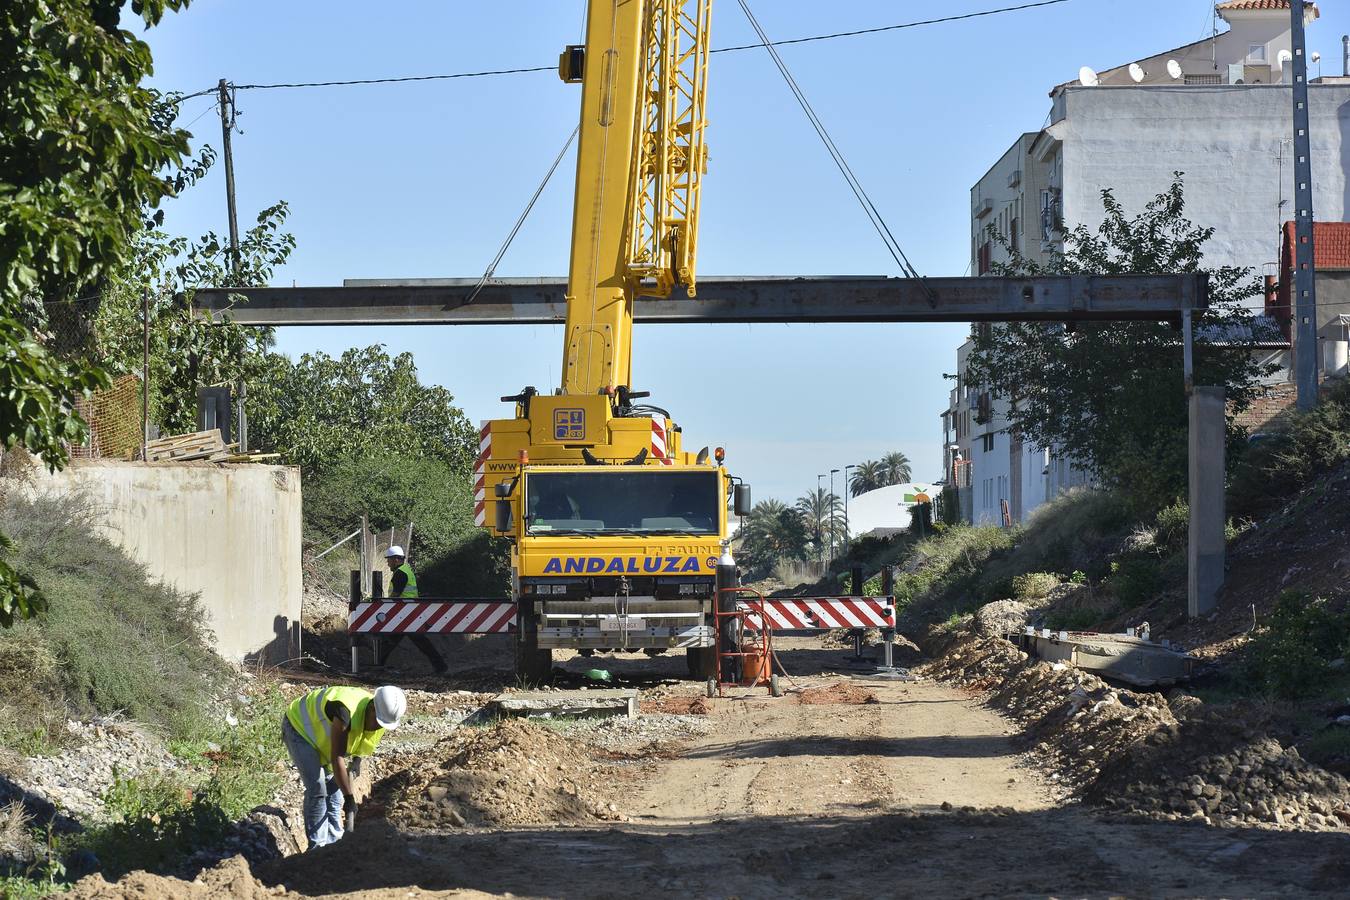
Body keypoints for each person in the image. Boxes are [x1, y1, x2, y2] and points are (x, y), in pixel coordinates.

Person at [282, 684, 406, 850]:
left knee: (334, 792)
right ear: (371, 708)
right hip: (299, 728)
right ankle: (317, 848)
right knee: (318, 788)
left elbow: (363, 740)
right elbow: (337, 757)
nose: (379, 727)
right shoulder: (345, 711)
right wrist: (349, 798)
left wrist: (357, 760)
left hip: (323, 739)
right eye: (378, 722)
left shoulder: (381, 718)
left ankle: (334, 844)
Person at [383, 545, 448, 674]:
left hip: (405, 613)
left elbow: (395, 595)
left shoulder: (400, 573)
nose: (387, 562)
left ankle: (441, 666)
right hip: (409, 611)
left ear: (396, 559)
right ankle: (440, 666)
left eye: (389, 559)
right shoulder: (406, 569)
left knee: (414, 641)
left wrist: (384, 606)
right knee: (395, 640)